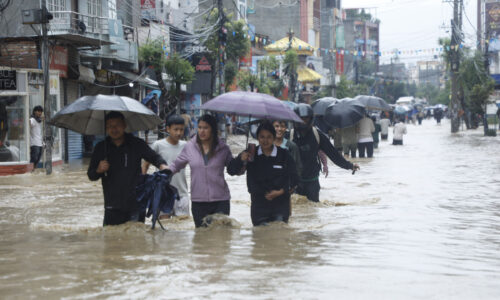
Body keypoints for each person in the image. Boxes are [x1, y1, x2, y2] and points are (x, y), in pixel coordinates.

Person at [87, 111, 168, 226]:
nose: (114, 129)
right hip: (112, 205)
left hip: (136, 203)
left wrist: (163, 165)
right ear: (106, 128)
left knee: (137, 238)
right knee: (112, 240)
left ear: (124, 125)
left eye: (117, 125)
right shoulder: (101, 148)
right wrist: (98, 170)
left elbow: (153, 156)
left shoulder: (136, 144)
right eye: (110, 126)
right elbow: (91, 175)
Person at [167, 114, 241, 228]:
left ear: (213, 129)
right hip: (199, 202)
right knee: (201, 239)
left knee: (220, 239)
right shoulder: (190, 146)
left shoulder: (223, 148)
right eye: (200, 127)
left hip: (220, 201)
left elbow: (233, 170)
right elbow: (176, 165)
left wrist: (242, 160)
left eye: (205, 128)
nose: (202, 131)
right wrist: (163, 174)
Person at [230, 122, 299, 226]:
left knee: (279, 235)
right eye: (262, 137)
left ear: (274, 137)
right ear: (257, 137)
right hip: (259, 206)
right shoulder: (250, 154)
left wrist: (281, 191)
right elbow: (231, 170)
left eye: (269, 137)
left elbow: (295, 178)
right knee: (260, 237)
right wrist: (240, 159)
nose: (265, 140)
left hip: (280, 205)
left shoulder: (284, 154)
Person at [291, 104, 359, 203]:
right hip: (295, 183)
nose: (303, 122)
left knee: (312, 211)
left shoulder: (317, 135)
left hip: (312, 182)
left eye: (306, 119)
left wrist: (350, 165)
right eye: (300, 119)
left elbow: (333, 154)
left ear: (311, 119)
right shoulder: (289, 136)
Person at [142, 114, 190, 217]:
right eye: (175, 129)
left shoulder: (186, 146)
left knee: (183, 228)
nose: (179, 133)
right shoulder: (158, 145)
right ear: (168, 129)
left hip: (182, 194)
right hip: (162, 194)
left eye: (181, 130)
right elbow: (145, 165)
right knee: (163, 228)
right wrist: (143, 185)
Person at [30, 106, 44, 170]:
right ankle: (32, 169)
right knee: (34, 158)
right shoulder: (32, 119)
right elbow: (29, 124)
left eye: (41, 112)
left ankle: (34, 170)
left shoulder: (39, 120)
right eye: (38, 111)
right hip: (34, 143)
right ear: (35, 111)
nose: (40, 113)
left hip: (40, 142)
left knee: (38, 158)